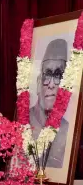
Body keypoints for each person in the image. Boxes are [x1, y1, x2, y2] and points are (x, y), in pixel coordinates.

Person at [30, 39, 69, 168]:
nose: (51, 84)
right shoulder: (23, 121)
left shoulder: (68, 131)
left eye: (58, 75)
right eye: (47, 74)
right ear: (38, 82)